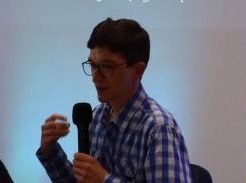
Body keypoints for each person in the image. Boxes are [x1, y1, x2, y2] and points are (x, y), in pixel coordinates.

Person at [37, 18, 192, 183]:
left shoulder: (159, 129)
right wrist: (49, 150)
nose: (95, 77)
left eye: (107, 67)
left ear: (138, 70)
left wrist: (104, 180)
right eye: (92, 65)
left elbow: (98, 179)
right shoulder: (97, 116)